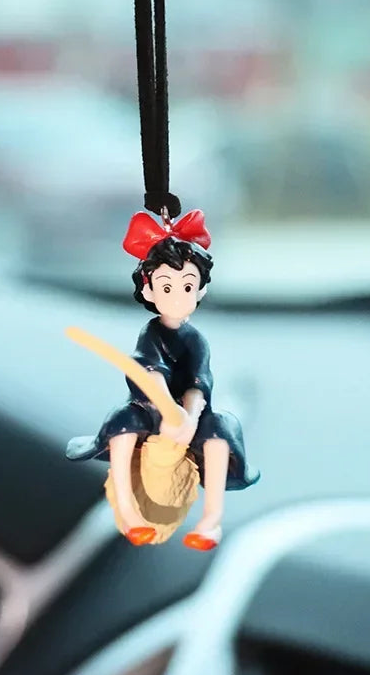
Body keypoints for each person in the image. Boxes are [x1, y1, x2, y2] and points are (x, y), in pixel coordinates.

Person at [66, 209, 259, 550]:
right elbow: (148, 373)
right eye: (166, 287)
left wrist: (189, 418)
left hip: (191, 415)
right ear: (149, 291)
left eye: (187, 286)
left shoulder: (196, 340)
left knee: (221, 431)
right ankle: (129, 514)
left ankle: (211, 519)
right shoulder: (151, 334)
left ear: (200, 291)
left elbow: (199, 381)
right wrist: (167, 409)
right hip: (150, 410)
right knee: (122, 424)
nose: (178, 296)